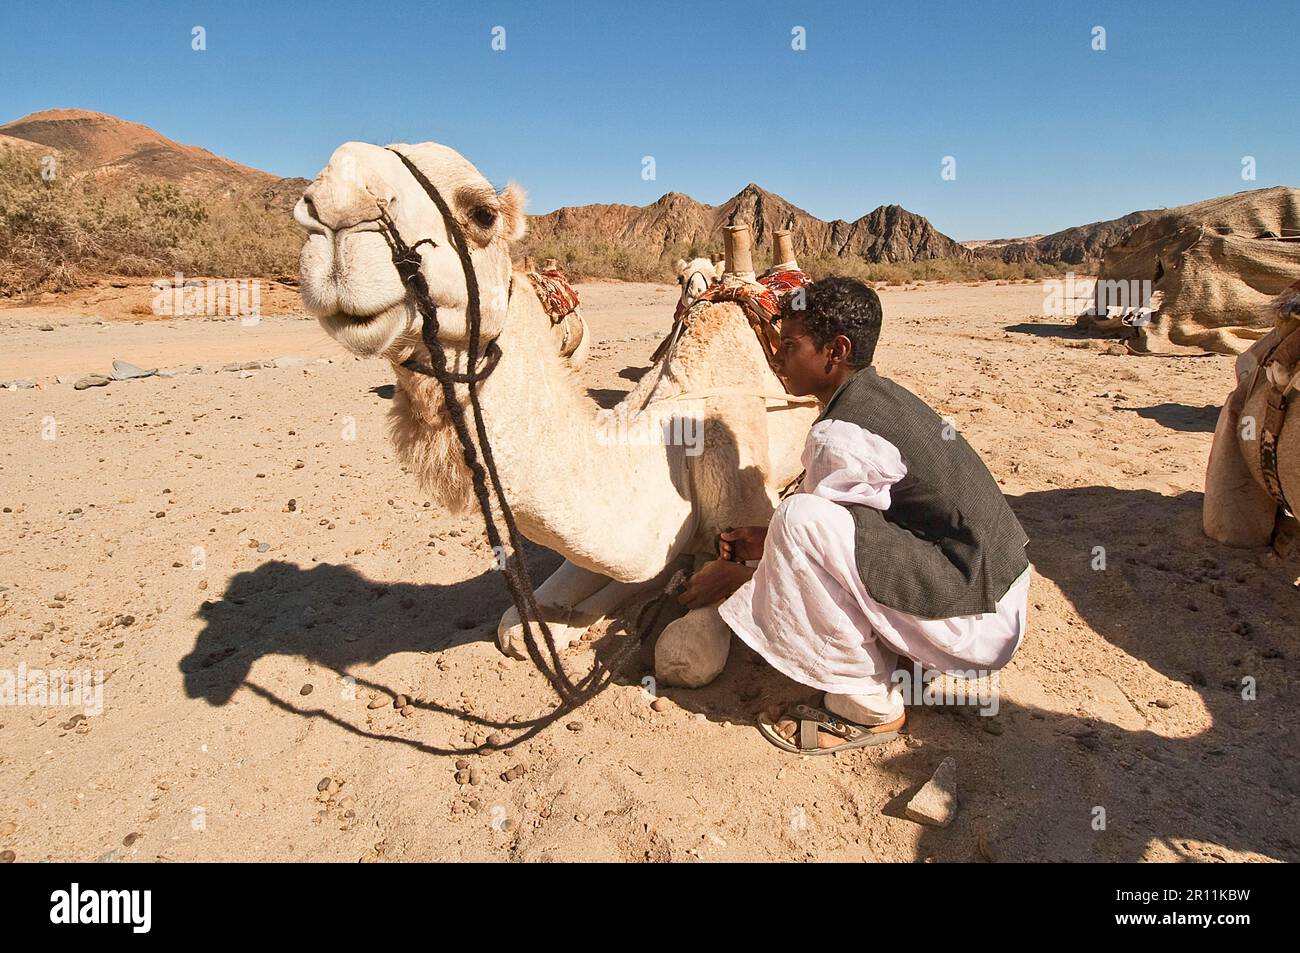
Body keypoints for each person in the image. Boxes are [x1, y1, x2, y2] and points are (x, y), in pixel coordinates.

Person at [675, 276, 1031, 755]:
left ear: (835, 351)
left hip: (973, 622)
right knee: (797, 523)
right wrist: (764, 541)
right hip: (998, 592)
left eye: (791, 345)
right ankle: (901, 655)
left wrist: (743, 571)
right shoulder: (881, 396)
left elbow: (811, 534)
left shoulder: (838, 435)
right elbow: (853, 527)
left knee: (797, 516)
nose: (777, 357)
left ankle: (867, 705)